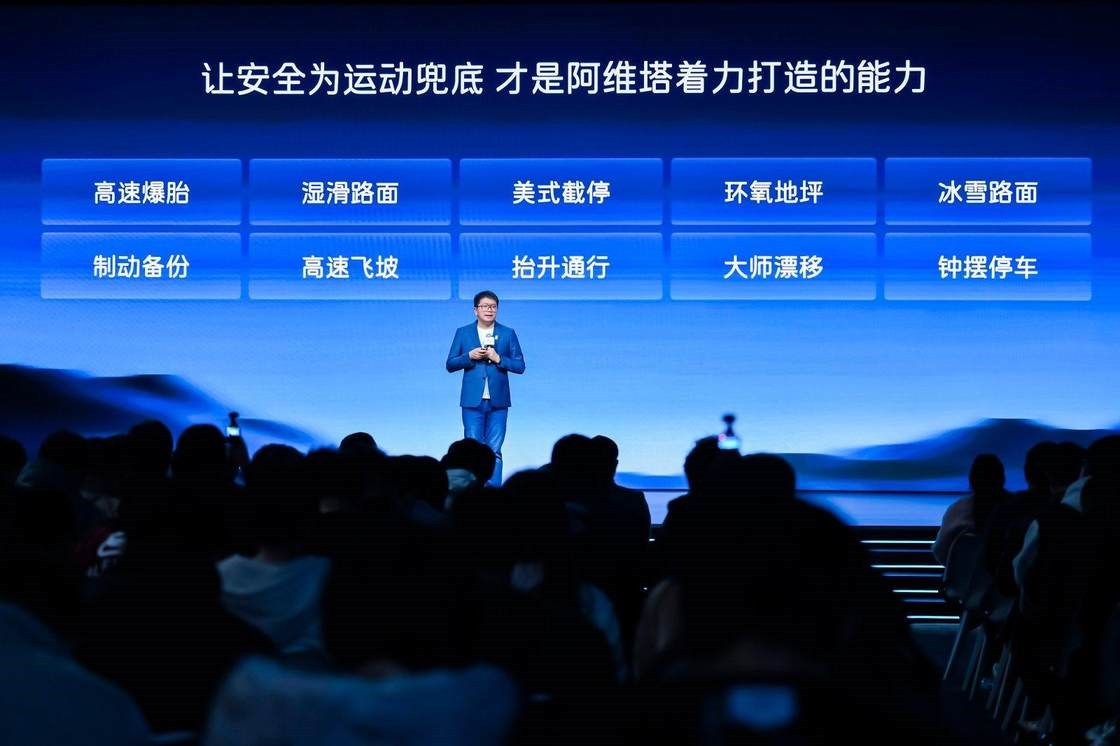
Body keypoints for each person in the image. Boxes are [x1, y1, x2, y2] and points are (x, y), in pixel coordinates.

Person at [445, 291, 525, 487]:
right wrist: (469, 356)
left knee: (494, 450)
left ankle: (494, 492)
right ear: (475, 310)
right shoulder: (463, 332)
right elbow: (450, 364)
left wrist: (499, 359)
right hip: (472, 400)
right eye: (485, 306)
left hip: (499, 401)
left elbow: (520, 366)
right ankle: (470, 491)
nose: (489, 310)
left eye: (493, 307)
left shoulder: (507, 333)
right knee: (471, 450)